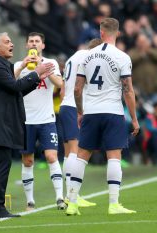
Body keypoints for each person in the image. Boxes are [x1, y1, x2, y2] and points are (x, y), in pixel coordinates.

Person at [66, 18, 140, 216]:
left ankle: (72, 203)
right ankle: (114, 204)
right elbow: (128, 90)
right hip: (113, 112)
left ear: (101, 33)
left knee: (82, 156)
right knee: (114, 157)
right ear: (117, 33)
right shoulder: (122, 57)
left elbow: (77, 88)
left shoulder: (86, 56)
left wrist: (80, 111)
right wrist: (134, 118)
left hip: (91, 111)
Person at [0, 32, 55, 218]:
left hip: (3, 123)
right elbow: (15, 87)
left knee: (3, 163)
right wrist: (36, 73)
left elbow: (17, 91)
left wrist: (37, 77)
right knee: (2, 164)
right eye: (7, 42)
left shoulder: (1, 64)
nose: (12, 44)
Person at [13, 32, 66, 211]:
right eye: (31, 41)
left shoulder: (50, 63)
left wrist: (44, 68)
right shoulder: (19, 65)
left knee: (52, 156)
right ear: (27, 45)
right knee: (28, 161)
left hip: (47, 119)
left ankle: (59, 197)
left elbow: (59, 83)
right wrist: (23, 66)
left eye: (37, 41)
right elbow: (9, 83)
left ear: (43, 45)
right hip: (25, 120)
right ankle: (30, 202)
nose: (34, 44)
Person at [59, 38, 102, 207]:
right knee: (75, 152)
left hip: (65, 105)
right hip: (73, 107)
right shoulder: (87, 57)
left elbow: (63, 88)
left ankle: (71, 194)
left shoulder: (72, 58)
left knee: (68, 152)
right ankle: (72, 196)